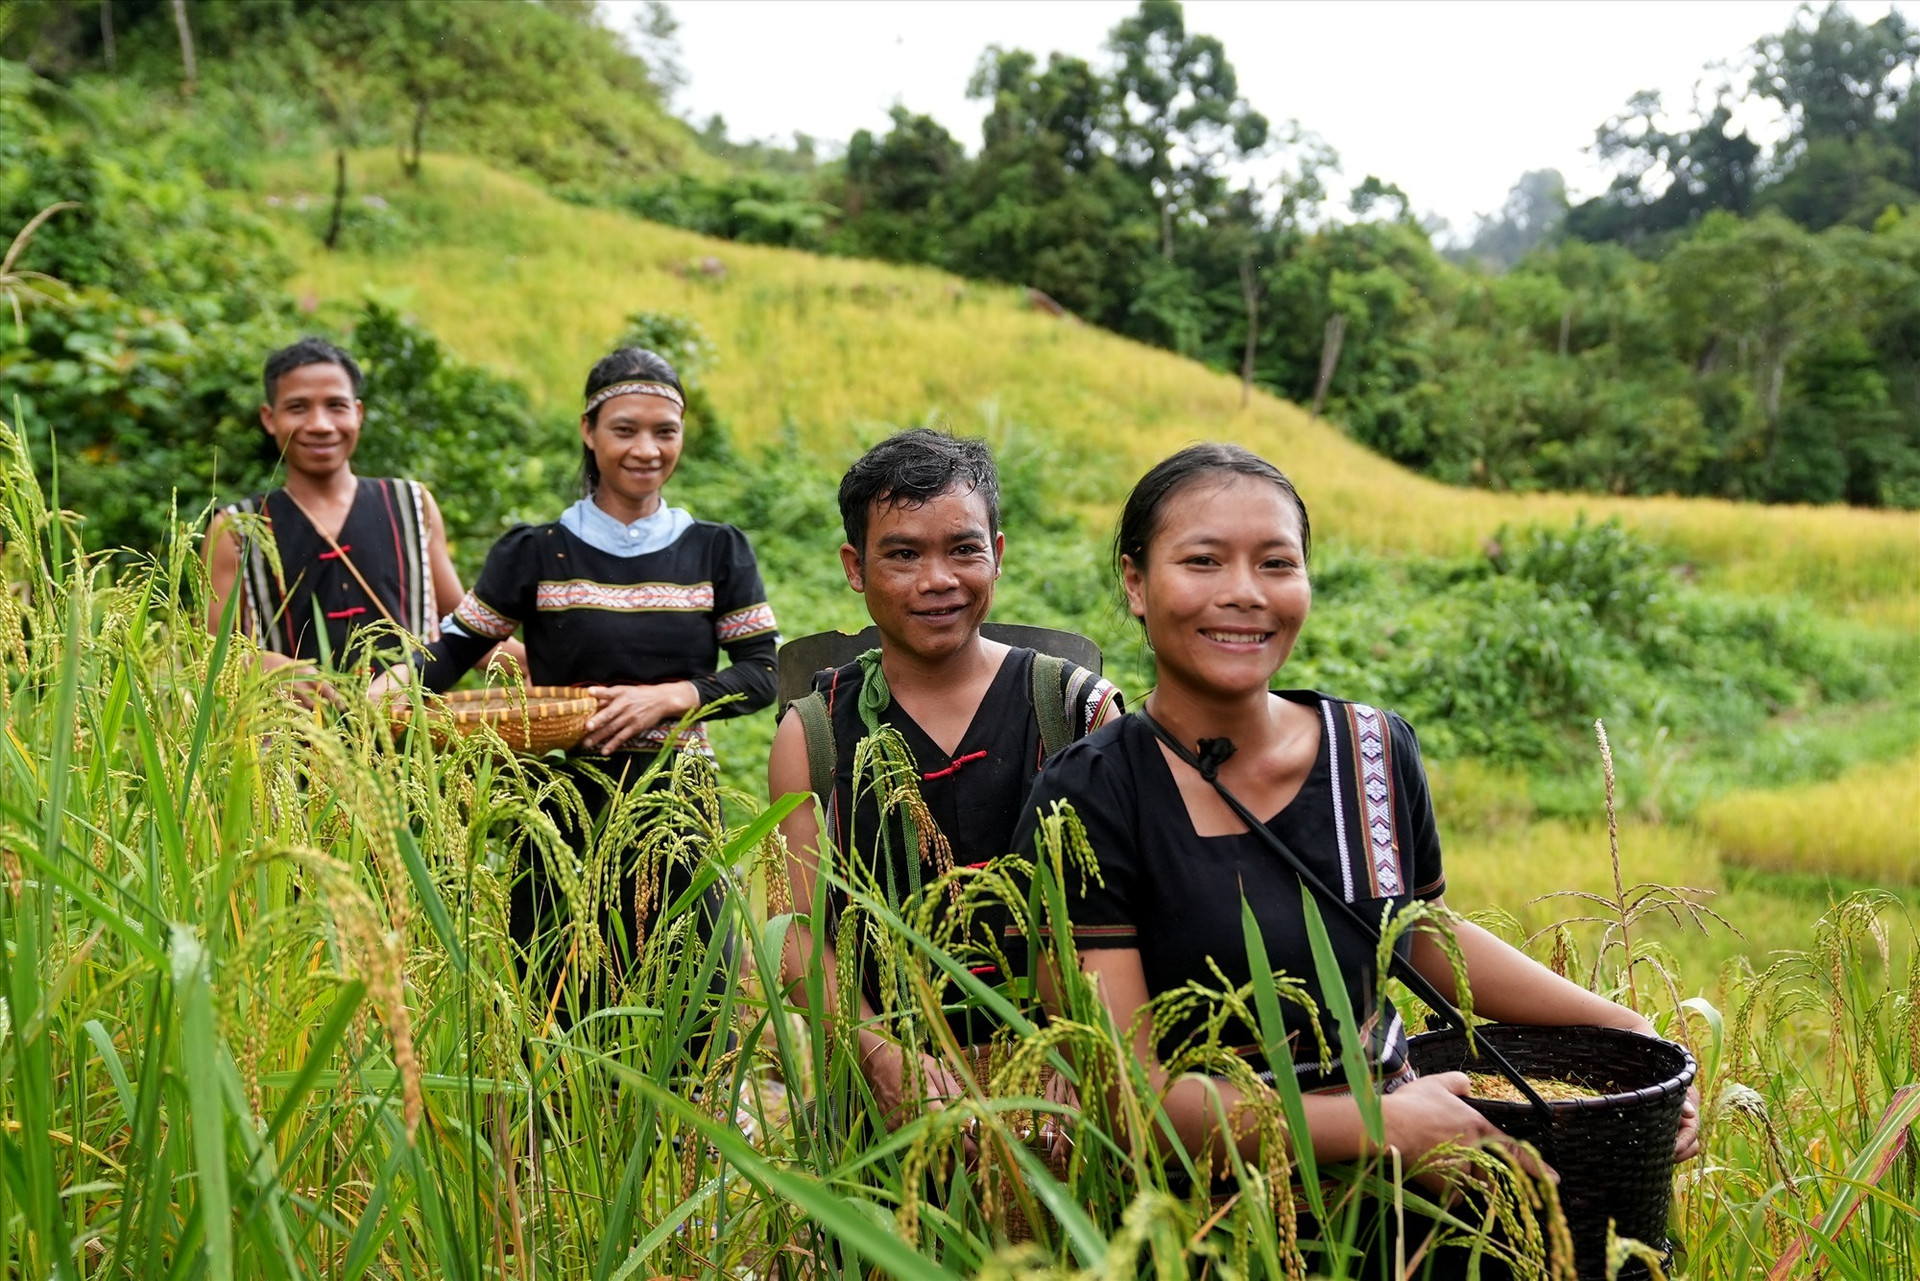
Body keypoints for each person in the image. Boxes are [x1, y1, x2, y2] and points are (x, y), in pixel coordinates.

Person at [1013, 443, 1700, 1274]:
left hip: (1414, 1213)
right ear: (1135, 581)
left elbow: (1417, 937)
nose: (1245, 590)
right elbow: (1128, 1095)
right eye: (1202, 560)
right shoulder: (1086, 799)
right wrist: (1378, 1126)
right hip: (1215, 1229)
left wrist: (1624, 1029)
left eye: (1277, 562)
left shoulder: (1373, 749)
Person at [372, 346, 779, 1018]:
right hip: (563, 799)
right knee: (561, 994)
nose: (646, 449)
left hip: (676, 804)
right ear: (589, 432)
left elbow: (763, 672)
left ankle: (682, 1123)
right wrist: (373, 699)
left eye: (664, 431)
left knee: (690, 992)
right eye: (625, 429)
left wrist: (677, 695)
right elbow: (450, 649)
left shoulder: (715, 549)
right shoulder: (536, 551)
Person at [769, 428, 1121, 1125]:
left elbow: (1126, 915)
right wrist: (880, 1056)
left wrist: (1084, 1045)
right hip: (882, 1107)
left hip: (1066, 1097)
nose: (937, 580)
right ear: (854, 566)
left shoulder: (1078, 710)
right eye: (902, 553)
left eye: (964, 549)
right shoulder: (814, 734)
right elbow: (802, 934)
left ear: (999, 554)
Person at [206, 336, 521, 683]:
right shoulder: (236, 529)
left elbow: (466, 634)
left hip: (415, 731)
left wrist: (556, 661)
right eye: (297, 408)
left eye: (336, 406)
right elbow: (213, 653)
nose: (321, 425)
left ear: (358, 413)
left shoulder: (413, 506)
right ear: (269, 418)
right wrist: (272, 669)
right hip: (291, 735)